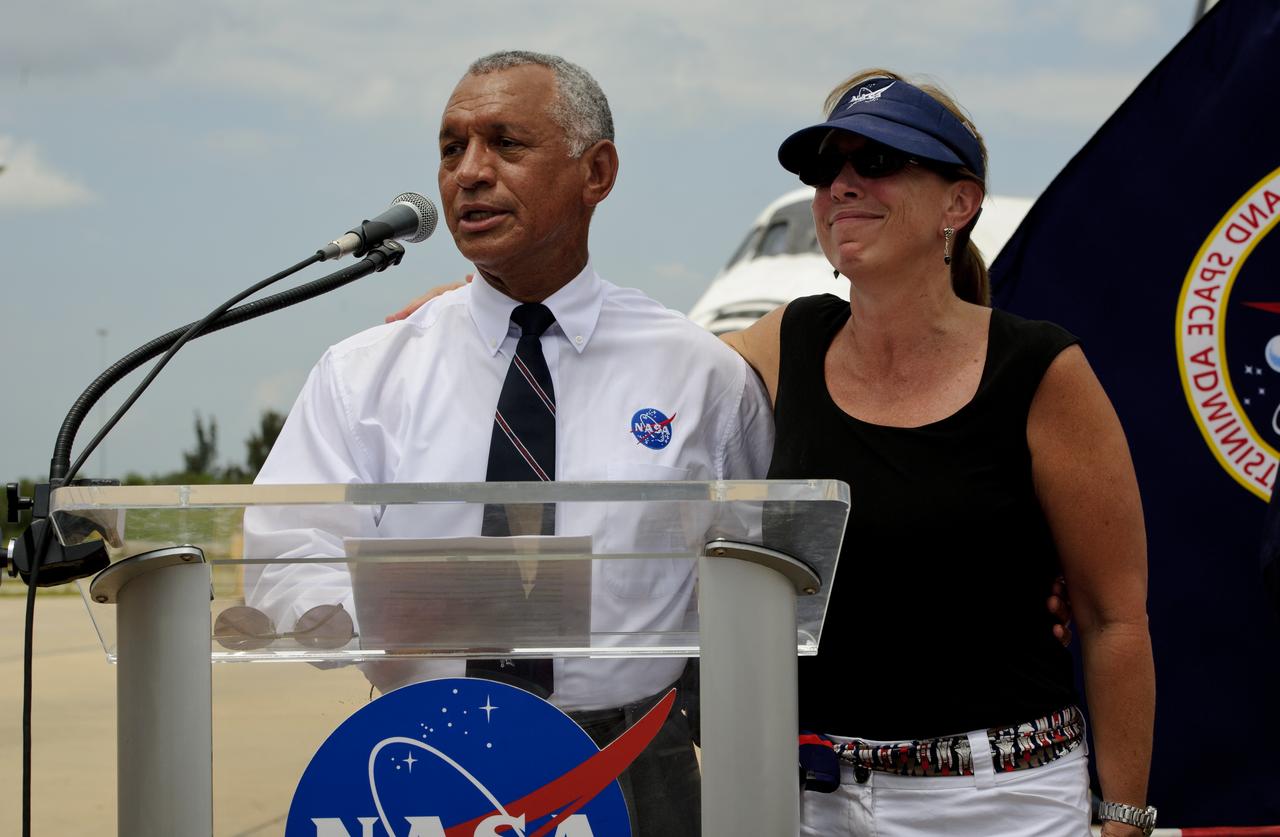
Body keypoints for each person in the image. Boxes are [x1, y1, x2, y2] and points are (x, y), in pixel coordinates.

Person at [243, 50, 774, 837]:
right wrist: (373, 609)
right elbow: (286, 552)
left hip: (630, 758)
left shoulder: (700, 375)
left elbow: (754, 579)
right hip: (423, 755)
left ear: (596, 172)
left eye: (506, 143)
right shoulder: (365, 372)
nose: (469, 173)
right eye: (452, 148)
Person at [718, 70, 1156, 836]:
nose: (842, 185)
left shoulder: (1040, 370)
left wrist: (1123, 821)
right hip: (813, 805)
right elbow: (643, 374)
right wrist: (452, 313)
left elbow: (1113, 617)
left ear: (959, 203)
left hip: (1007, 804)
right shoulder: (791, 337)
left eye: (877, 162)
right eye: (827, 169)